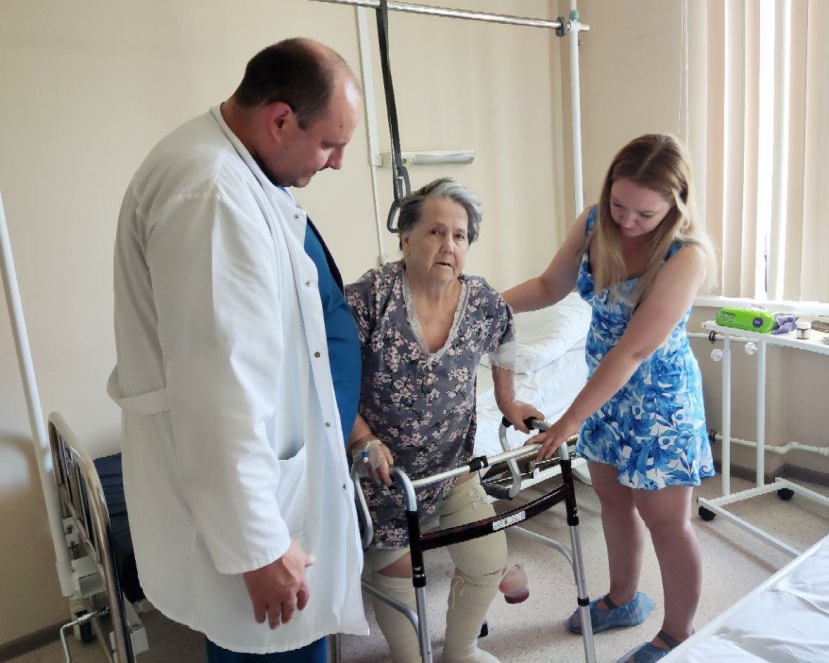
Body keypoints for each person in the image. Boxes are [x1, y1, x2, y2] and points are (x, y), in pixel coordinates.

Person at [107, 38, 368, 662]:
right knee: (275, 648)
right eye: (329, 143)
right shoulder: (213, 194)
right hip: (253, 523)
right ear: (280, 120)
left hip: (267, 487)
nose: (337, 163)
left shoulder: (237, 168)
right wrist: (260, 546)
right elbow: (217, 390)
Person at [503, 134, 717, 663]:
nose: (627, 221)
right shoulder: (595, 222)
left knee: (665, 520)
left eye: (645, 213)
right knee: (614, 502)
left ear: (676, 204)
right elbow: (549, 286)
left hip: (661, 403)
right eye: (620, 205)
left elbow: (633, 351)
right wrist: (478, 304)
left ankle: (678, 634)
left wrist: (569, 419)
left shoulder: (687, 255)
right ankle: (623, 599)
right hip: (605, 395)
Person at [344, 177, 542, 663]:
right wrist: (363, 438)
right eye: (435, 232)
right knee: (397, 580)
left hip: (451, 470)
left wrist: (508, 401)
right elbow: (327, 376)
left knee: (487, 561)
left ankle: (461, 651)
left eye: (459, 235)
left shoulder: (481, 301)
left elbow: (506, 338)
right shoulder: (370, 297)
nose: (448, 245)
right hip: (383, 480)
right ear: (405, 239)